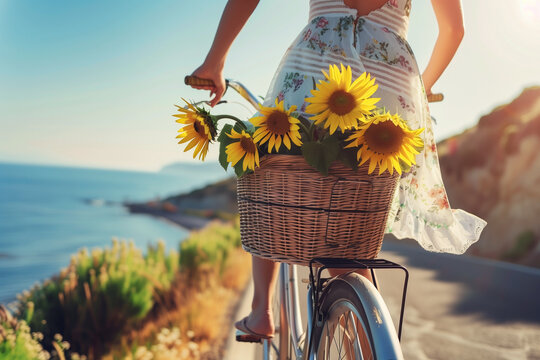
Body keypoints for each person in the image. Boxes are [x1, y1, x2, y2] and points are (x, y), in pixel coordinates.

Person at [189, 0, 487, 341]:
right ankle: (366, 330)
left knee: (271, 169)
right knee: (351, 221)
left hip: (318, 65)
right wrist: (423, 87)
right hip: (389, 76)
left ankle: (262, 312)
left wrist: (215, 60)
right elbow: (454, 30)